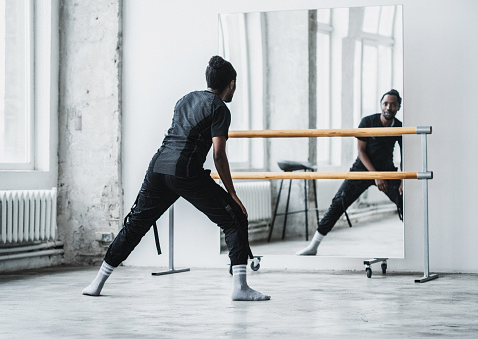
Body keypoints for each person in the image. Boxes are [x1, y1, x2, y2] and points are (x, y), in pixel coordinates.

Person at [83, 56, 270, 301]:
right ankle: (240, 288)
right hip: (185, 172)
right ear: (231, 84)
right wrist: (232, 194)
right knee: (235, 218)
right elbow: (218, 155)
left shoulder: (185, 99)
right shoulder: (220, 109)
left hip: (158, 168)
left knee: (135, 225)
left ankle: (97, 283)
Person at [296, 89, 403, 256]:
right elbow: (361, 151)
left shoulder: (400, 127)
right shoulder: (367, 121)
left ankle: (415, 245)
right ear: (381, 105)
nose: (389, 107)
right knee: (339, 202)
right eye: (386, 103)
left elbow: (407, 155)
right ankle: (314, 245)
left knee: (406, 202)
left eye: (393, 104)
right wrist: (375, 175)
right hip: (362, 168)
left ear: (398, 107)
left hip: (387, 170)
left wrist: (403, 180)